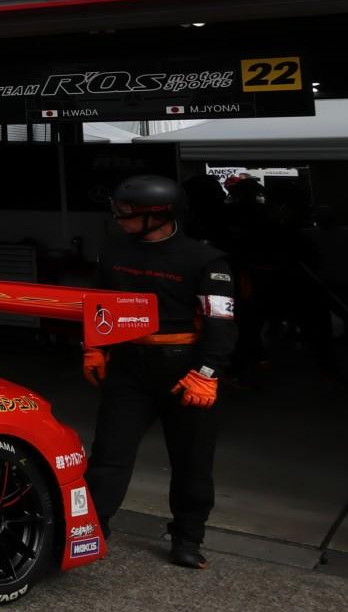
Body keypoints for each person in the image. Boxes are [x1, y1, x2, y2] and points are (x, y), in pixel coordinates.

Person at [84, 174, 238, 570]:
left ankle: (188, 538)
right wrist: (95, 349)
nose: (119, 217)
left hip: (185, 370)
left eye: (128, 212)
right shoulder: (113, 251)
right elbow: (98, 303)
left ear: (159, 215)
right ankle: (91, 529)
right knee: (108, 456)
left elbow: (221, 324)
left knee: (192, 461)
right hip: (129, 368)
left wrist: (206, 373)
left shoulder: (206, 261)